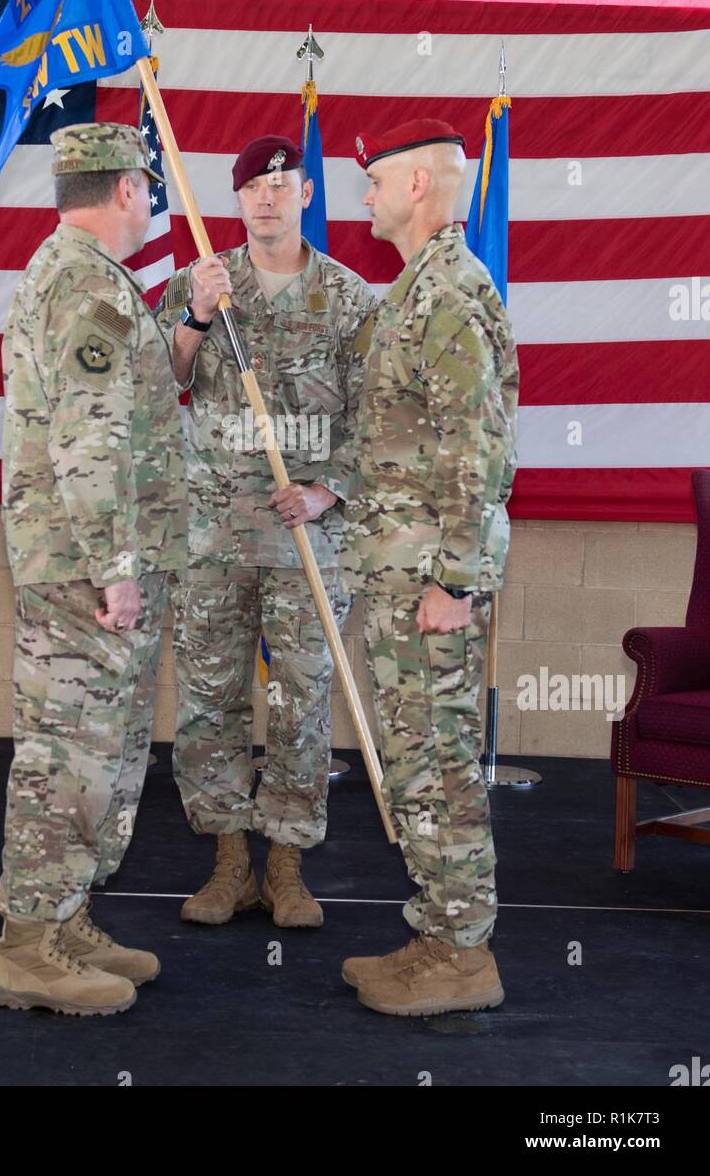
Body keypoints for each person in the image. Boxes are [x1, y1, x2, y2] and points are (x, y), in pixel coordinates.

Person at [0, 122, 187, 1017]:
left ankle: (65, 917)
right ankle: (28, 947)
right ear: (127, 191)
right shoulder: (85, 286)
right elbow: (88, 442)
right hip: (82, 564)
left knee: (99, 750)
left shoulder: (78, 275)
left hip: (78, 558)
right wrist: (117, 566)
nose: (152, 203)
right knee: (66, 755)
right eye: (148, 189)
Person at [156, 135, 377, 927]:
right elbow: (160, 381)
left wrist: (327, 492)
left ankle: (285, 864)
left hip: (304, 540)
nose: (266, 197)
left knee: (298, 700)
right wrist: (196, 317)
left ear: (307, 195)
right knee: (210, 701)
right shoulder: (201, 282)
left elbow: (379, 418)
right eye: (253, 185)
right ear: (237, 198)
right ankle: (227, 863)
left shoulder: (350, 298)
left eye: (281, 184)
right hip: (215, 529)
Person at [340, 118, 519, 1016]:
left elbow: (475, 447)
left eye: (373, 179)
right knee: (415, 765)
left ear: (416, 184)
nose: (362, 195)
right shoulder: (414, 289)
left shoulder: (447, 291)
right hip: (399, 573)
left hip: (428, 583)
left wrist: (453, 580)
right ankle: (437, 935)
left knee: (439, 767)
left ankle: (464, 959)